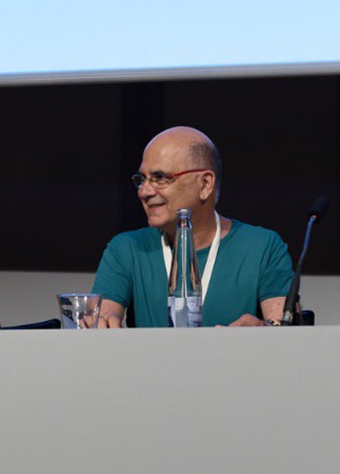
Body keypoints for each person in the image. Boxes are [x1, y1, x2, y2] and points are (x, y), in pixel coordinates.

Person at [92, 126, 294, 327]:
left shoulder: (263, 247)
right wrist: (102, 322)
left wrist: (263, 329)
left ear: (205, 184)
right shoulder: (126, 249)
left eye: (160, 178)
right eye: (142, 179)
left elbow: (284, 333)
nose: (144, 192)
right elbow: (103, 318)